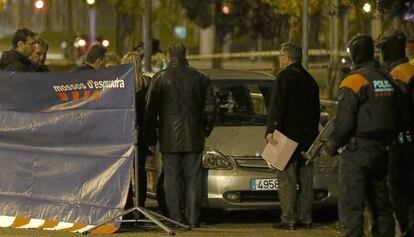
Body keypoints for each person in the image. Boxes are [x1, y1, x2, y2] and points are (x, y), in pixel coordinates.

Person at [322, 34, 396, 237]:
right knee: (381, 207)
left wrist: (331, 144)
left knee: (351, 207)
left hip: (357, 152)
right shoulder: (387, 78)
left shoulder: (354, 81)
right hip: (383, 151)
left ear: (354, 55)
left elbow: (344, 121)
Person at [144, 43, 216, 228]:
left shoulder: (160, 78)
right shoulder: (201, 77)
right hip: (194, 134)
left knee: (172, 178)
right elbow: (210, 108)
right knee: (193, 179)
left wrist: (152, 133)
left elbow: (150, 110)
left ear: (169, 56)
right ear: (185, 55)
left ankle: (175, 218)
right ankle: (192, 218)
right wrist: (206, 129)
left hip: (169, 135)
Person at [265, 42, 320, 230]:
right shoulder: (311, 80)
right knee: (306, 181)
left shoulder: (284, 77)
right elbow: (316, 112)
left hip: (286, 136)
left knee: (287, 180)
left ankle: (288, 219)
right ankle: (306, 218)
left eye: (280, 55)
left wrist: (270, 130)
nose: (279, 59)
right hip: (308, 138)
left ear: (286, 57)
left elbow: (277, 106)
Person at [376, 30, 414, 237]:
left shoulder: (395, 75)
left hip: (401, 145)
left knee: (399, 193)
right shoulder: (410, 70)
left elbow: (391, 113)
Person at [121, 52, 151, 209]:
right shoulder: (148, 83)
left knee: (125, 171)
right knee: (140, 169)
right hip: (143, 132)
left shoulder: (121, 83)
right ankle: (141, 203)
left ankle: (127, 204)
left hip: (125, 132)